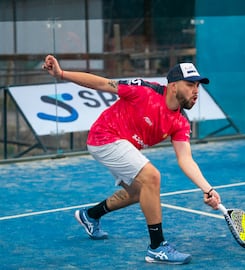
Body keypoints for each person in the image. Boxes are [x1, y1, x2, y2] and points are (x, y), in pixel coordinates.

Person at [42, 55, 221, 265]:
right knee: (151, 177)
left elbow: (185, 159)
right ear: (173, 86)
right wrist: (61, 74)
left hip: (123, 146)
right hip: (104, 137)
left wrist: (208, 189)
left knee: (138, 192)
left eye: (198, 86)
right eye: (190, 85)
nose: (196, 91)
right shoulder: (143, 89)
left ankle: (90, 215)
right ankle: (157, 247)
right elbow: (101, 83)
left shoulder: (180, 122)